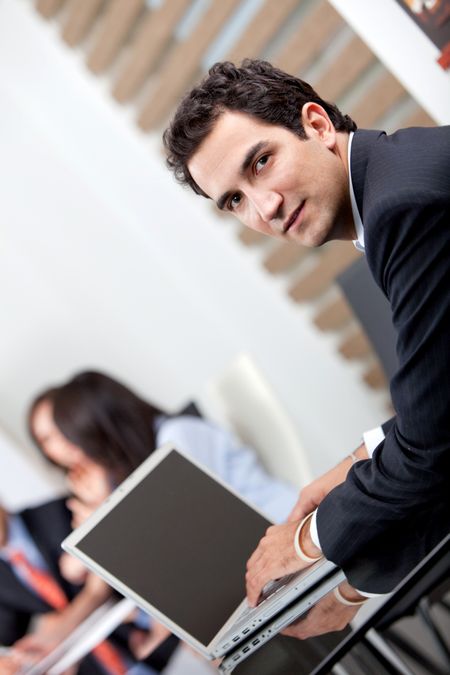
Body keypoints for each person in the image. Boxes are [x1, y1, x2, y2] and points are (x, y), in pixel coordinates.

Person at [162, 59, 450, 639]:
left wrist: (303, 543)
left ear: (317, 125)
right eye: (235, 201)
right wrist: (359, 460)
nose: (263, 208)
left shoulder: (402, 210)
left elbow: (433, 447)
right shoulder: (394, 178)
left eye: (261, 162)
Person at [28, 370, 300, 660]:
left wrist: (105, 513)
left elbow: (192, 544)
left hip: (284, 541)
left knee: (205, 643)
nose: (77, 453)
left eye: (79, 440)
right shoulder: (146, 467)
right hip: (258, 563)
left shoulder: (177, 438)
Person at [0, 496, 132, 675]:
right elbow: (9, 638)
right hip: (93, 666)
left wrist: (59, 630)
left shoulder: (61, 511)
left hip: (140, 635)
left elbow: (111, 575)